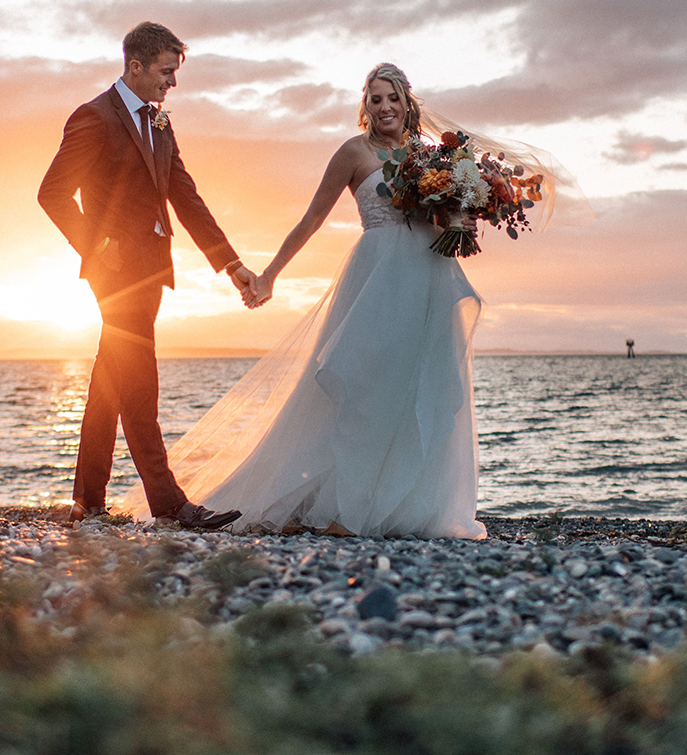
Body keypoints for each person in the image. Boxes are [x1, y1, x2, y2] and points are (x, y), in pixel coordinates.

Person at [120, 63, 583, 537]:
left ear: (408, 103)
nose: (384, 107)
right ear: (366, 105)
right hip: (376, 281)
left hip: (428, 279)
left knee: (419, 389)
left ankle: (408, 507)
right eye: (376, 99)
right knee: (366, 390)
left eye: (392, 99)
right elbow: (311, 219)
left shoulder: (434, 159)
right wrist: (269, 275)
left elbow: (444, 227)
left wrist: (460, 215)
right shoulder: (352, 153)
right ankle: (349, 507)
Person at [38, 22, 252, 530]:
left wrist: (231, 263)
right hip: (115, 274)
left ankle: (88, 501)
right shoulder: (93, 118)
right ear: (135, 66)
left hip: (153, 271)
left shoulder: (159, 124)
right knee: (140, 384)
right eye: (165, 73)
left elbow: (186, 196)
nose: (171, 83)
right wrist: (102, 250)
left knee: (111, 382)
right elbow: (53, 193)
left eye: (174, 74)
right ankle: (171, 505)